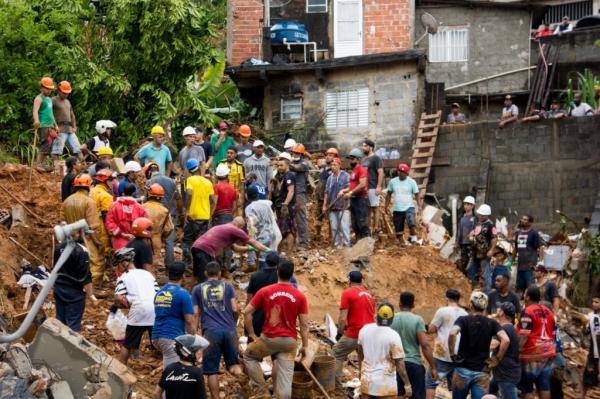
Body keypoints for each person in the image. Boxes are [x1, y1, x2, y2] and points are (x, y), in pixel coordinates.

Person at [243, 260, 309, 399]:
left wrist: (251, 334)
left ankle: (262, 391)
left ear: (277, 272)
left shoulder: (265, 291)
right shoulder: (300, 296)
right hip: (289, 342)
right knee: (285, 384)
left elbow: (246, 312)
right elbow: (304, 325)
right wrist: (305, 346)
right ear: (292, 275)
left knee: (249, 355)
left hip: (269, 339)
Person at [192, 261, 243, 399]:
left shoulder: (197, 289)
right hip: (230, 330)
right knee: (234, 365)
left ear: (205, 273)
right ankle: (245, 390)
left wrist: (194, 334)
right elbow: (234, 308)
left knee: (211, 370)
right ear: (220, 274)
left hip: (210, 333)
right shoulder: (228, 286)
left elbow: (195, 314)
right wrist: (234, 321)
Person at [448, 291, 510, 399]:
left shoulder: (463, 320)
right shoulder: (492, 323)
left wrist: (452, 354)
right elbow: (506, 339)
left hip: (462, 369)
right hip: (482, 371)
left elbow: (453, 333)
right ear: (485, 307)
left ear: (470, 305)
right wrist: (497, 359)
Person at [113, 247, 159, 365]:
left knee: (128, 343)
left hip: (139, 309)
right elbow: (157, 292)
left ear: (123, 262)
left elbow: (119, 296)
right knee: (158, 342)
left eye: (118, 263)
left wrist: (125, 303)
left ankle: (121, 366)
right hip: (155, 309)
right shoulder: (148, 274)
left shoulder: (123, 277)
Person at [358, 303, 412, 398]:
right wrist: (407, 384)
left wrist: (360, 372)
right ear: (392, 318)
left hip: (367, 383)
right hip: (386, 386)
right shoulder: (393, 335)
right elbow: (400, 364)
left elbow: (360, 355)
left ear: (377, 315)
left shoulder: (364, 330)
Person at [332, 271, 375, 388]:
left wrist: (340, 332)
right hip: (370, 333)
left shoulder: (347, 293)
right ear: (361, 281)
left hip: (356, 332)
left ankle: (336, 386)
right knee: (363, 360)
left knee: (337, 353)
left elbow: (342, 318)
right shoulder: (369, 295)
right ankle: (365, 387)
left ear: (349, 281)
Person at [60, 174, 105, 287]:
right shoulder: (89, 202)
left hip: (71, 239)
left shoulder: (66, 201)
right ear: (89, 186)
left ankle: (76, 286)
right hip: (87, 239)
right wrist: (98, 243)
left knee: (73, 264)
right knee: (96, 263)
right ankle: (92, 289)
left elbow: (62, 222)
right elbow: (94, 226)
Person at [191, 217, 268, 281]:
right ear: (241, 226)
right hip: (206, 250)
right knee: (207, 276)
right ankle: (204, 297)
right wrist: (267, 250)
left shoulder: (225, 227)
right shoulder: (236, 230)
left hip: (195, 247)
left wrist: (250, 248)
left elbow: (235, 248)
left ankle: (191, 292)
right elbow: (253, 242)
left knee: (196, 274)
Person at [390, 292, 435, 399]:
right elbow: (425, 345)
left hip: (396, 365)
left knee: (398, 396)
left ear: (399, 304)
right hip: (414, 364)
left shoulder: (391, 319)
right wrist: (433, 367)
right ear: (413, 305)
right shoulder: (418, 320)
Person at [53, 226, 98, 332]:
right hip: (74, 293)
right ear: (77, 234)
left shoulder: (59, 247)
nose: (86, 236)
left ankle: (58, 346)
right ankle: (69, 348)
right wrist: (91, 295)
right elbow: (86, 277)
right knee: (72, 326)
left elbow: (55, 269)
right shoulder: (81, 251)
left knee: (60, 321)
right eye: (84, 234)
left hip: (59, 289)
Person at [152, 262, 196, 367]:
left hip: (156, 335)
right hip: (170, 337)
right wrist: (192, 339)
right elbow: (189, 321)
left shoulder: (159, 293)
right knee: (172, 372)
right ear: (183, 276)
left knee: (176, 366)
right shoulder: (183, 294)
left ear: (168, 274)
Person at [426, 289, 468, 399]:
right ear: (459, 300)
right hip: (458, 355)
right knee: (456, 388)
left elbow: (432, 329)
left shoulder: (442, 311)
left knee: (431, 383)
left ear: (447, 299)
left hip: (442, 354)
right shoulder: (465, 313)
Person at [246, 252, 298, 339]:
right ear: (278, 263)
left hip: (257, 317)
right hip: (275, 319)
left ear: (265, 261)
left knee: (255, 347)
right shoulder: (281, 277)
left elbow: (249, 299)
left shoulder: (255, 276)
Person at [518, 286, 557, 399]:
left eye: (525, 294)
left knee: (527, 387)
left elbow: (524, 334)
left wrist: (517, 351)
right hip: (548, 353)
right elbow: (553, 333)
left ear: (528, 297)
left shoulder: (527, 311)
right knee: (544, 386)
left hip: (532, 354)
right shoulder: (549, 312)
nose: (523, 296)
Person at [155, 334, 210, 399]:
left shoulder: (169, 369)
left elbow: (157, 392)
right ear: (189, 352)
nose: (200, 353)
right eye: (198, 351)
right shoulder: (197, 372)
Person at [183, 158, 215, 266]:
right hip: (205, 216)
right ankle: (200, 264)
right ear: (198, 168)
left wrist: (186, 210)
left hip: (193, 215)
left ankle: (188, 263)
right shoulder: (207, 182)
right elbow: (211, 199)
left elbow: (189, 193)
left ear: (189, 170)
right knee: (200, 241)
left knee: (187, 240)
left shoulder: (190, 180)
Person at [147, 166, 180, 266]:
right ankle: (169, 265)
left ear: (150, 173)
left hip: (154, 214)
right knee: (169, 241)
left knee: (151, 239)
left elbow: (146, 198)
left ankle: (150, 263)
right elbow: (178, 197)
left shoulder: (150, 182)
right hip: (170, 213)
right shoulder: (171, 181)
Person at [487, 302, 521, 399]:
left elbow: (493, 344)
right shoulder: (511, 328)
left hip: (506, 374)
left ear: (501, 313)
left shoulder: (503, 329)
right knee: (490, 389)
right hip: (507, 371)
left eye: (498, 309)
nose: (496, 310)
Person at [385, 163, 420, 245]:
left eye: (402, 172)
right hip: (397, 209)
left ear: (406, 173)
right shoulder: (392, 182)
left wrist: (419, 206)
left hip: (409, 207)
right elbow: (388, 194)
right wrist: (386, 206)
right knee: (398, 230)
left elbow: (417, 194)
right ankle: (402, 244)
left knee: (411, 223)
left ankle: (414, 240)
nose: (400, 173)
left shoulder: (412, 182)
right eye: (399, 171)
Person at [245, 186, 280, 270]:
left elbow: (251, 226)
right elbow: (274, 218)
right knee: (272, 257)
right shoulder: (266, 204)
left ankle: (264, 279)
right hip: (273, 233)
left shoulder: (249, 208)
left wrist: (251, 240)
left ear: (247, 196)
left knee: (262, 259)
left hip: (262, 236)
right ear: (257, 194)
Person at [106, 183, 147, 250]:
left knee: (121, 259)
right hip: (135, 242)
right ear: (133, 193)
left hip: (119, 242)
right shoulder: (140, 208)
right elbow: (144, 226)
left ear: (123, 193)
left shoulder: (114, 206)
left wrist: (123, 234)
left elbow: (110, 223)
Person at [90, 168, 114, 282]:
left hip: (89, 225)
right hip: (101, 228)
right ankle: (97, 280)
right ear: (105, 181)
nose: (113, 182)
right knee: (102, 253)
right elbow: (107, 216)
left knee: (92, 252)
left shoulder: (91, 191)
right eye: (111, 180)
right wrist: (110, 231)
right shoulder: (105, 196)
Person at [142, 184, 174, 267]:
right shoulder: (164, 210)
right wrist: (162, 237)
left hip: (141, 239)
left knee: (141, 262)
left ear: (149, 194)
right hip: (156, 239)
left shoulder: (142, 207)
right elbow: (169, 228)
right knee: (153, 263)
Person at [342, 148, 370, 240]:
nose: (350, 160)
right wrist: (345, 191)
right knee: (355, 224)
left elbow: (362, 184)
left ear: (358, 159)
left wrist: (350, 192)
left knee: (362, 223)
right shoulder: (353, 171)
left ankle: (366, 243)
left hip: (361, 200)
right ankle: (358, 244)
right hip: (354, 200)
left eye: (352, 158)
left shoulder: (361, 170)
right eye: (350, 158)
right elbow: (353, 186)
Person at [469, 204, 497, 293]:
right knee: (473, 272)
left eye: (482, 215)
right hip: (475, 253)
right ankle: (474, 290)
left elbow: (494, 238)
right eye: (479, 214)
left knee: (486, 274)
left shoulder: (491, 225)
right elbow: (475, 232)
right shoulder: (478, 223)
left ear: (487, 215)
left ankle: (487, 292)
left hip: (485, 254)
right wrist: (471, 234)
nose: (480, 216)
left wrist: (492, 250)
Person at [32, 77, 59, 170]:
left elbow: (51, 113)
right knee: (45, 144)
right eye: (47, 88)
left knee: (49, 146)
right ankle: (38, 164)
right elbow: (35, 111)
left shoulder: (49, 99)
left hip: (50, 125)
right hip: (43, 125)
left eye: (50, 89)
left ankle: (42, 164)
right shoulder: (39, 98)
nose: (49, 91)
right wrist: (36, 120)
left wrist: (56, 125)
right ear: (42, 87)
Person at [50, 80, 82, 160]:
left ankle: (79, 169)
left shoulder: (68, 101)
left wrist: (74, 127)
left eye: (67, 93)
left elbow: (72, 115)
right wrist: (55, 126)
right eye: (64, 93)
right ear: (59, 90)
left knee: (78, 150)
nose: (66, 95)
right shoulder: (53, 100)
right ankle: (56, 170)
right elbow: (50, 114)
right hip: (60, 129)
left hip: (70, 129)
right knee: (56, 151)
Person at [323, 157, 350, 247]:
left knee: (344, 227)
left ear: (339, 165)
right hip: (332, 206)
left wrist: (343, 191)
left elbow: (351, 187)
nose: (332, 167)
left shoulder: (345, 175)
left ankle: (347, 245)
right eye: (331, 165)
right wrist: (324, 205)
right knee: (334, 228)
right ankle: (337, 245)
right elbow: (326, 192)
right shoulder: (329, 178)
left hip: (343, 205)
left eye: (335, 165)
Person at [272, 153, 297, 254]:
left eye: (281, 165)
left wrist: (285, 204)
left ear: (287, 165)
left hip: (287, 206)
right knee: (281, 228)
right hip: (279, 205)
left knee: (288, 229)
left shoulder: (289, 176)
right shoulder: (279, 176)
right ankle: (280, 251)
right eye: (278, 165)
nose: (279, 167)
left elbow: (291, 191)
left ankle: (288, 253)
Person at [514, 214, 543, 294]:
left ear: (530, 223)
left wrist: (540, 262)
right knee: (519, 288)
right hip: (520, 266)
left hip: (530, 266)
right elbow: (516, 248)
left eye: (525, 219)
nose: (523, 221)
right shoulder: (518, 233)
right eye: (522, 219)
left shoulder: (533, 233)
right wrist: (511, 261)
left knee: (531, 288)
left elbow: (540, 247)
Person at [289, 144, 310, 247]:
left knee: (301, 218)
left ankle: (304, 242)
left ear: (301, 154)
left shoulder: (304, 164)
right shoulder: (291, 162)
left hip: (299, 193)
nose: (294, 154)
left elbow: (295, 168)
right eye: (293, 152)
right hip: (290, 193)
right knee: (290, 218)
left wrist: (286, 162)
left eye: (297, 153)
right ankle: (293, 241)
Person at [361, 139, 384, 235]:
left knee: (375, 208)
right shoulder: (364, 160)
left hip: (373, 187)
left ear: (371, 147)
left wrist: (378, 186)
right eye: (363, 146)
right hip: (365, 188)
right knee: (368, 209)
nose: (363, 148)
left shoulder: (376, 158)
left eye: (365, 146)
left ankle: (376, 228)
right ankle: (369, 229)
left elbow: (381, 172)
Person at [315, 148, 338, 238]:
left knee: (330, 218)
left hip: (329, 198)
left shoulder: (335, 171)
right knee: (318, 216)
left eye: (331, 155)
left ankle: (331, 237)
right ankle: (317, 235)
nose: (328, 157)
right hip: (320, 196)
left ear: (335, 158)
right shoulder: (323, 168)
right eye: (327, 155)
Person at [583, 295, 600, 397]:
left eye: (597, 302)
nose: (594, 304)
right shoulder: (590, 316)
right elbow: (586, 332)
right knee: (586, 379)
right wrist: (584, 324)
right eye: (593, 301)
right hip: (593, 353)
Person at [455, 196, 476, 274]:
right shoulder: (461, 217)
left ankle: (471, 277)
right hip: (463, 243)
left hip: (472, 243)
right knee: (464, 260)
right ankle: (465, 277)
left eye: (468, 204)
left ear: (472, 206)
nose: (466, 206)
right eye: (465, 204)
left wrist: (473, 233)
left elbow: (478, 229)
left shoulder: (475, 218)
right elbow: (459, 231)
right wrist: (457, 242)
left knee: (471, 262)